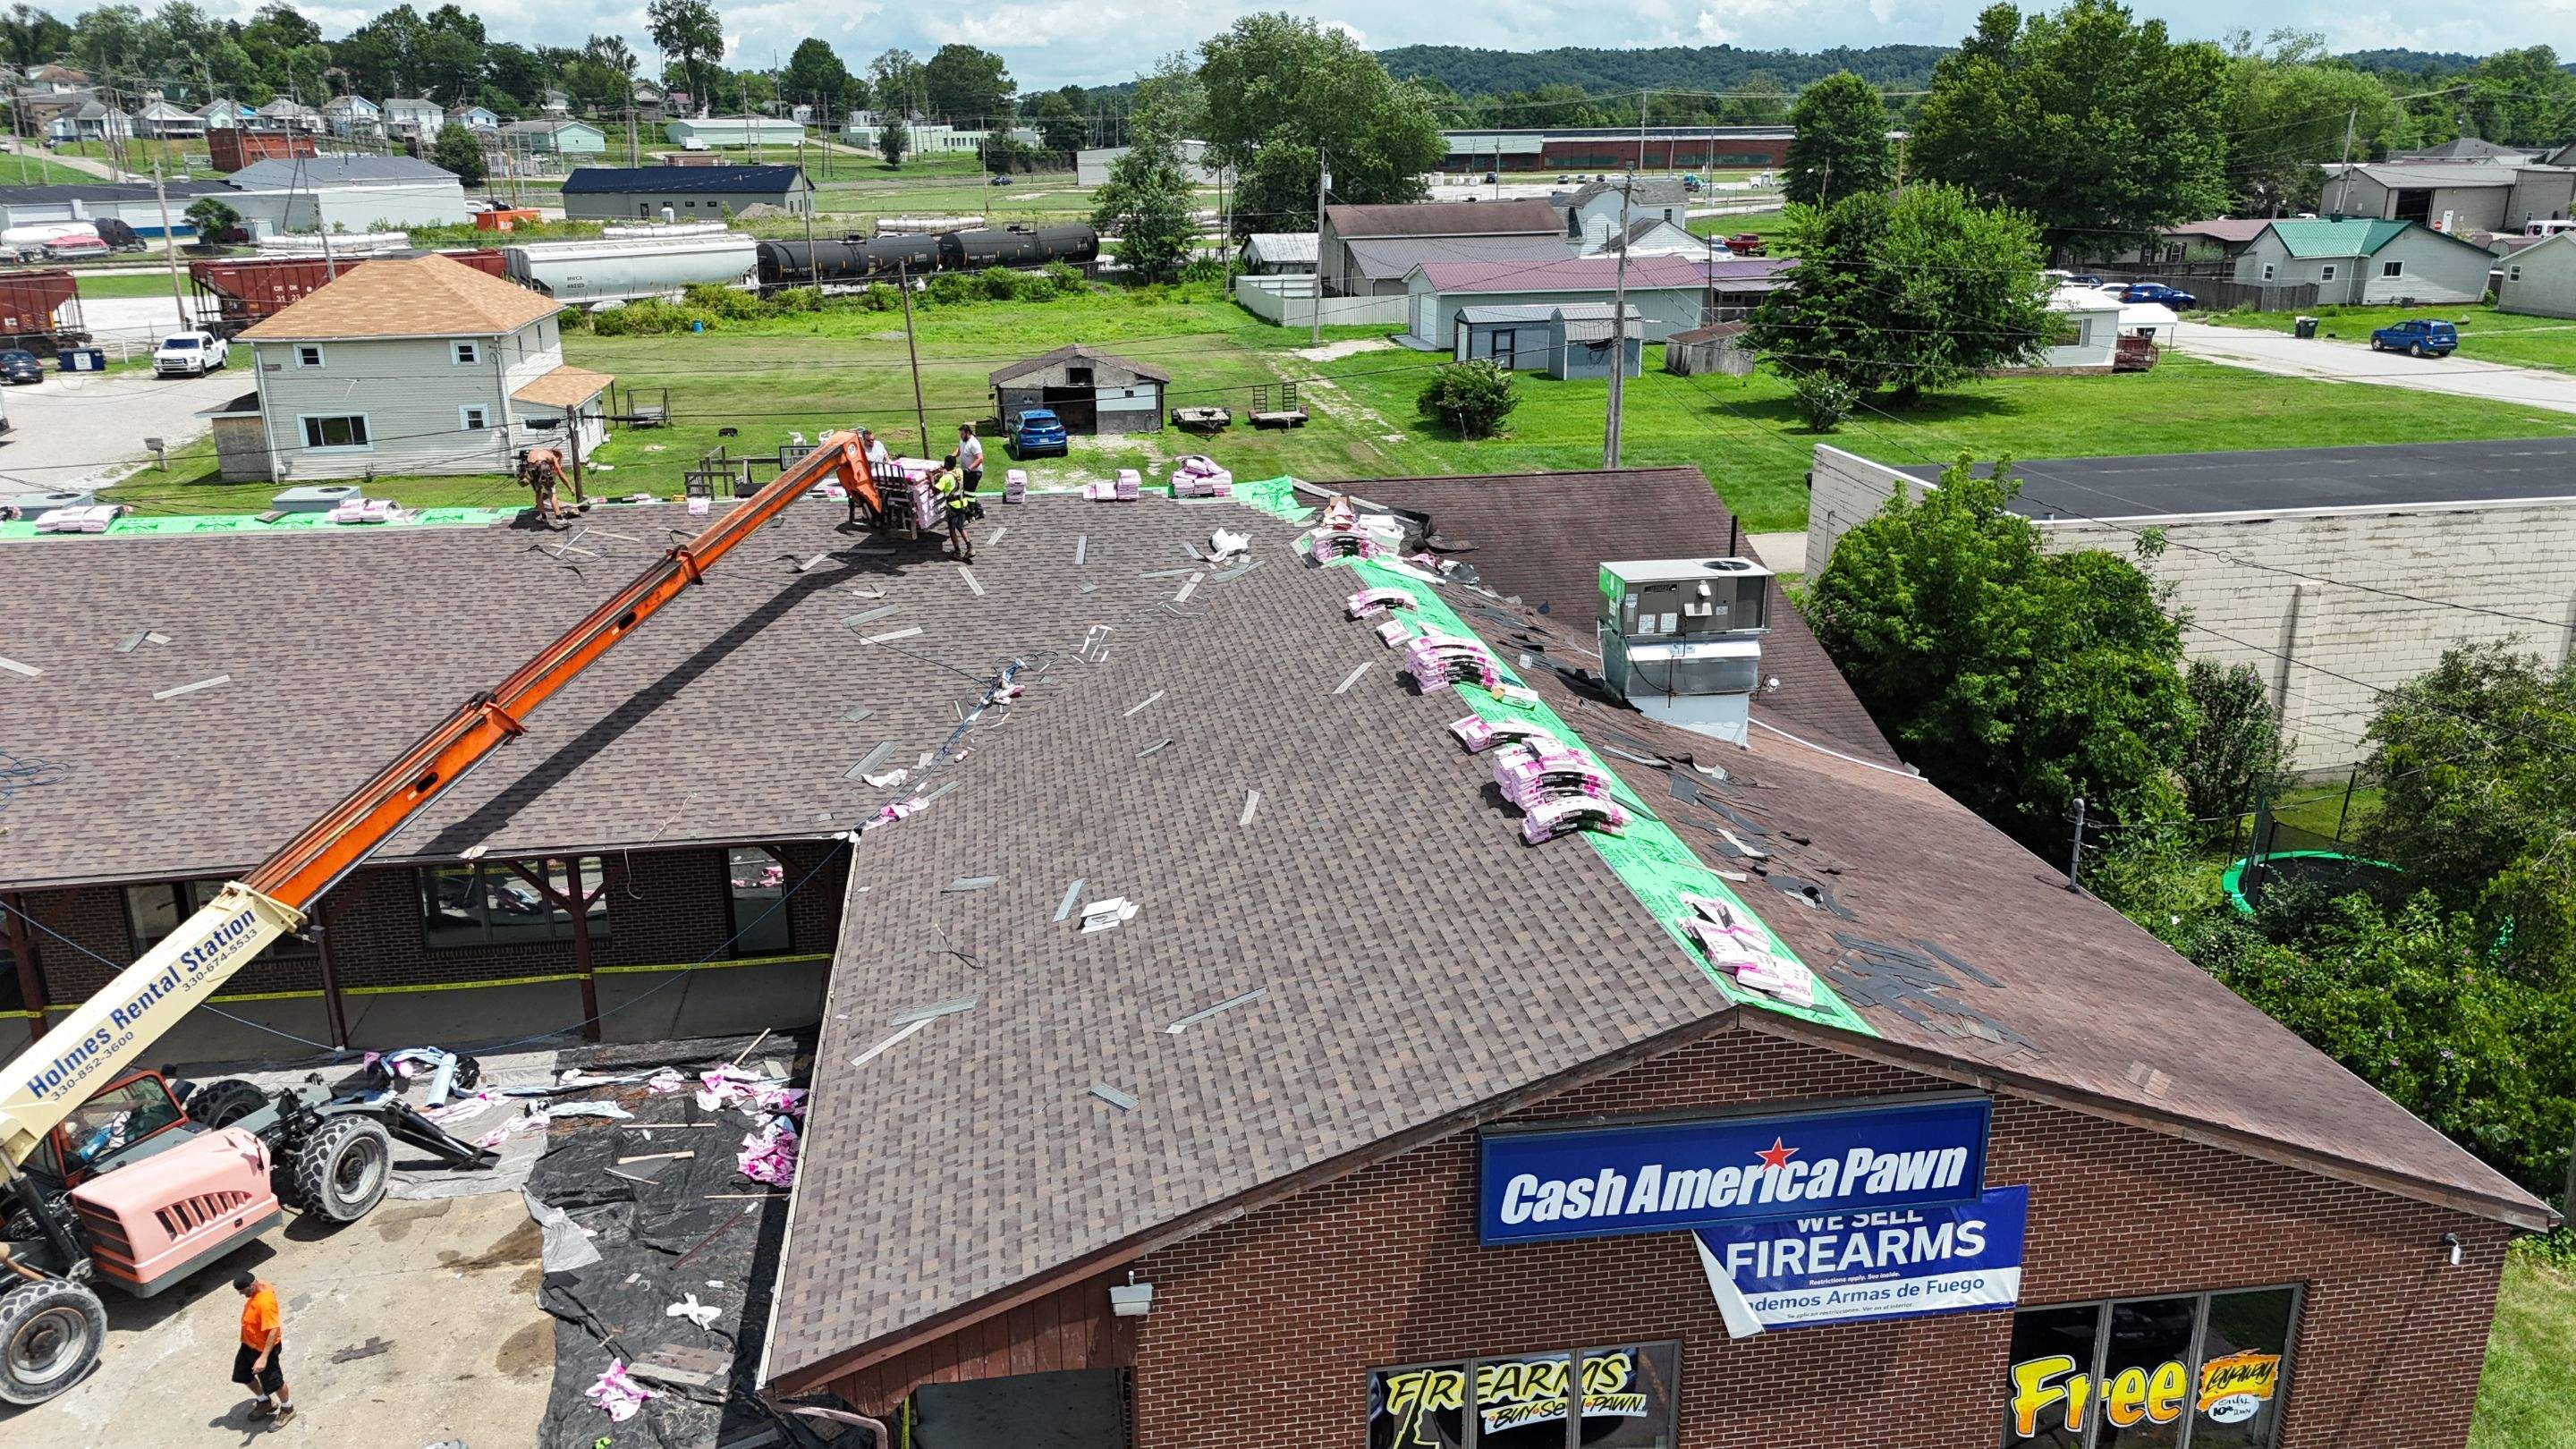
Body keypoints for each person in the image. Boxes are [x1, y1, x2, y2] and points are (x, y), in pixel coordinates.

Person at [233, 1271, 292, 1424]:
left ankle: (288, 1409)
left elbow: (274, 1330)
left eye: (243, 1291)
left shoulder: (264, 1303)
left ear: (252, 1286)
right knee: (243, 1375)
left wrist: (263, 1358)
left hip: (264, 1349)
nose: (241, 1294)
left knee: (275, 1382)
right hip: (248, 1345)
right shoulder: (262, 1285)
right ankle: (265, 1401)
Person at [936, 465, 975, 563]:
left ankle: (957, 552)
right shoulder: (959, 471)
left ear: (946, 464)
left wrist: (931, 478)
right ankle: (970, 548)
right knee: (961, 527)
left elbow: (935, 489)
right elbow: (952, 476)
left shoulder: (945, 478)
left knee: (952, 530)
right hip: (963, 504)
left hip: (953, 507)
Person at [950, 422, 985, 495]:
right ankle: (971, 504)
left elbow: (980, 458)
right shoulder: (963, 440)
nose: (961, 436)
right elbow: (959, 449)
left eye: (962, 434)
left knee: (968, 493)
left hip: (974, 472)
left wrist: (969, 468)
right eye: (960, 434)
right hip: (966, 472)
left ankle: (974, 505)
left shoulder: (974, 443)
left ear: (968, 433)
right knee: (965, 492)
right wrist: (951, 457)